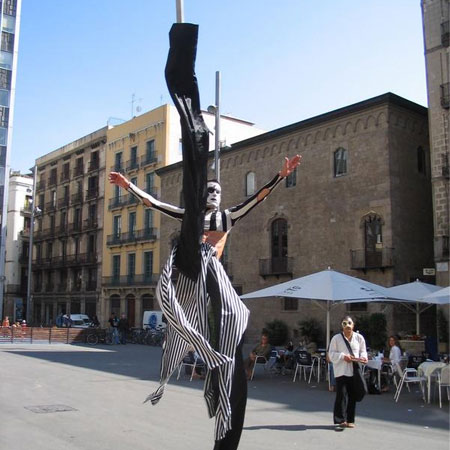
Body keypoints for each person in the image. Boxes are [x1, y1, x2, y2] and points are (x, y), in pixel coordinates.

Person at [110, 22, 300, 450]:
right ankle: (196, 347)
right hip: (189, 265)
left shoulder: (228, 216)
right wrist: (130, 188)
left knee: (234, 316)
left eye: (216, 190)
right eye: (208, 190)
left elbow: (259, 201)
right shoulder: (193, 215)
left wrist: (280, 175)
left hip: (211, 271)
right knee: (186, 297)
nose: (213, 193)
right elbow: (159, 206)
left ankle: (219, 367)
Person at [328, 315, 367, 431]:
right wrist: (343, 356)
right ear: (342, 326)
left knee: (352, 396)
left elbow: (363, 351)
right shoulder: (336, 338)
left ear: (353, 325)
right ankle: (341, 419)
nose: (347, 326)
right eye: (345, 324)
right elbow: (331, 354)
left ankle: (350, 419)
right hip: (341, 371)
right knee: (341, 395)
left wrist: (363, 358)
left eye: (349, 324)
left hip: (354, 370)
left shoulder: (359, 338)